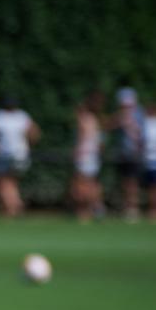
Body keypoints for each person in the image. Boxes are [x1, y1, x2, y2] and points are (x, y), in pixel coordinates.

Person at [0, 96, 40, 216]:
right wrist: (28, 146)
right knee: (12, 181)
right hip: (21, 154)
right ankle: (13, 205)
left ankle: (13, 206)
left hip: (4, 154)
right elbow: (34, 132)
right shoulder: (22, 116)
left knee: (3, 182)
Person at [110, 87, 144, 220]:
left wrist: (130, 126)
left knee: (132, 182)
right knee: (125, 181)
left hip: (134, 154)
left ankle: (133, 208)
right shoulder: (121, 115)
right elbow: (108, 125)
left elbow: (140, 135)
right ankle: (126, 206)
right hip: (123, 153)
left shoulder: (138, 114)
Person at [71, 93, 105, 222]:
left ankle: (85, 211)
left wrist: (76, 152)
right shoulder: (95, 119)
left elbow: (81, 138)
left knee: (81, 184)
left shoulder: (84, 119)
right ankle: (97, 207)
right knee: (92, 182)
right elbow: (100, 141)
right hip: (93, 155)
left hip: (85, 155)